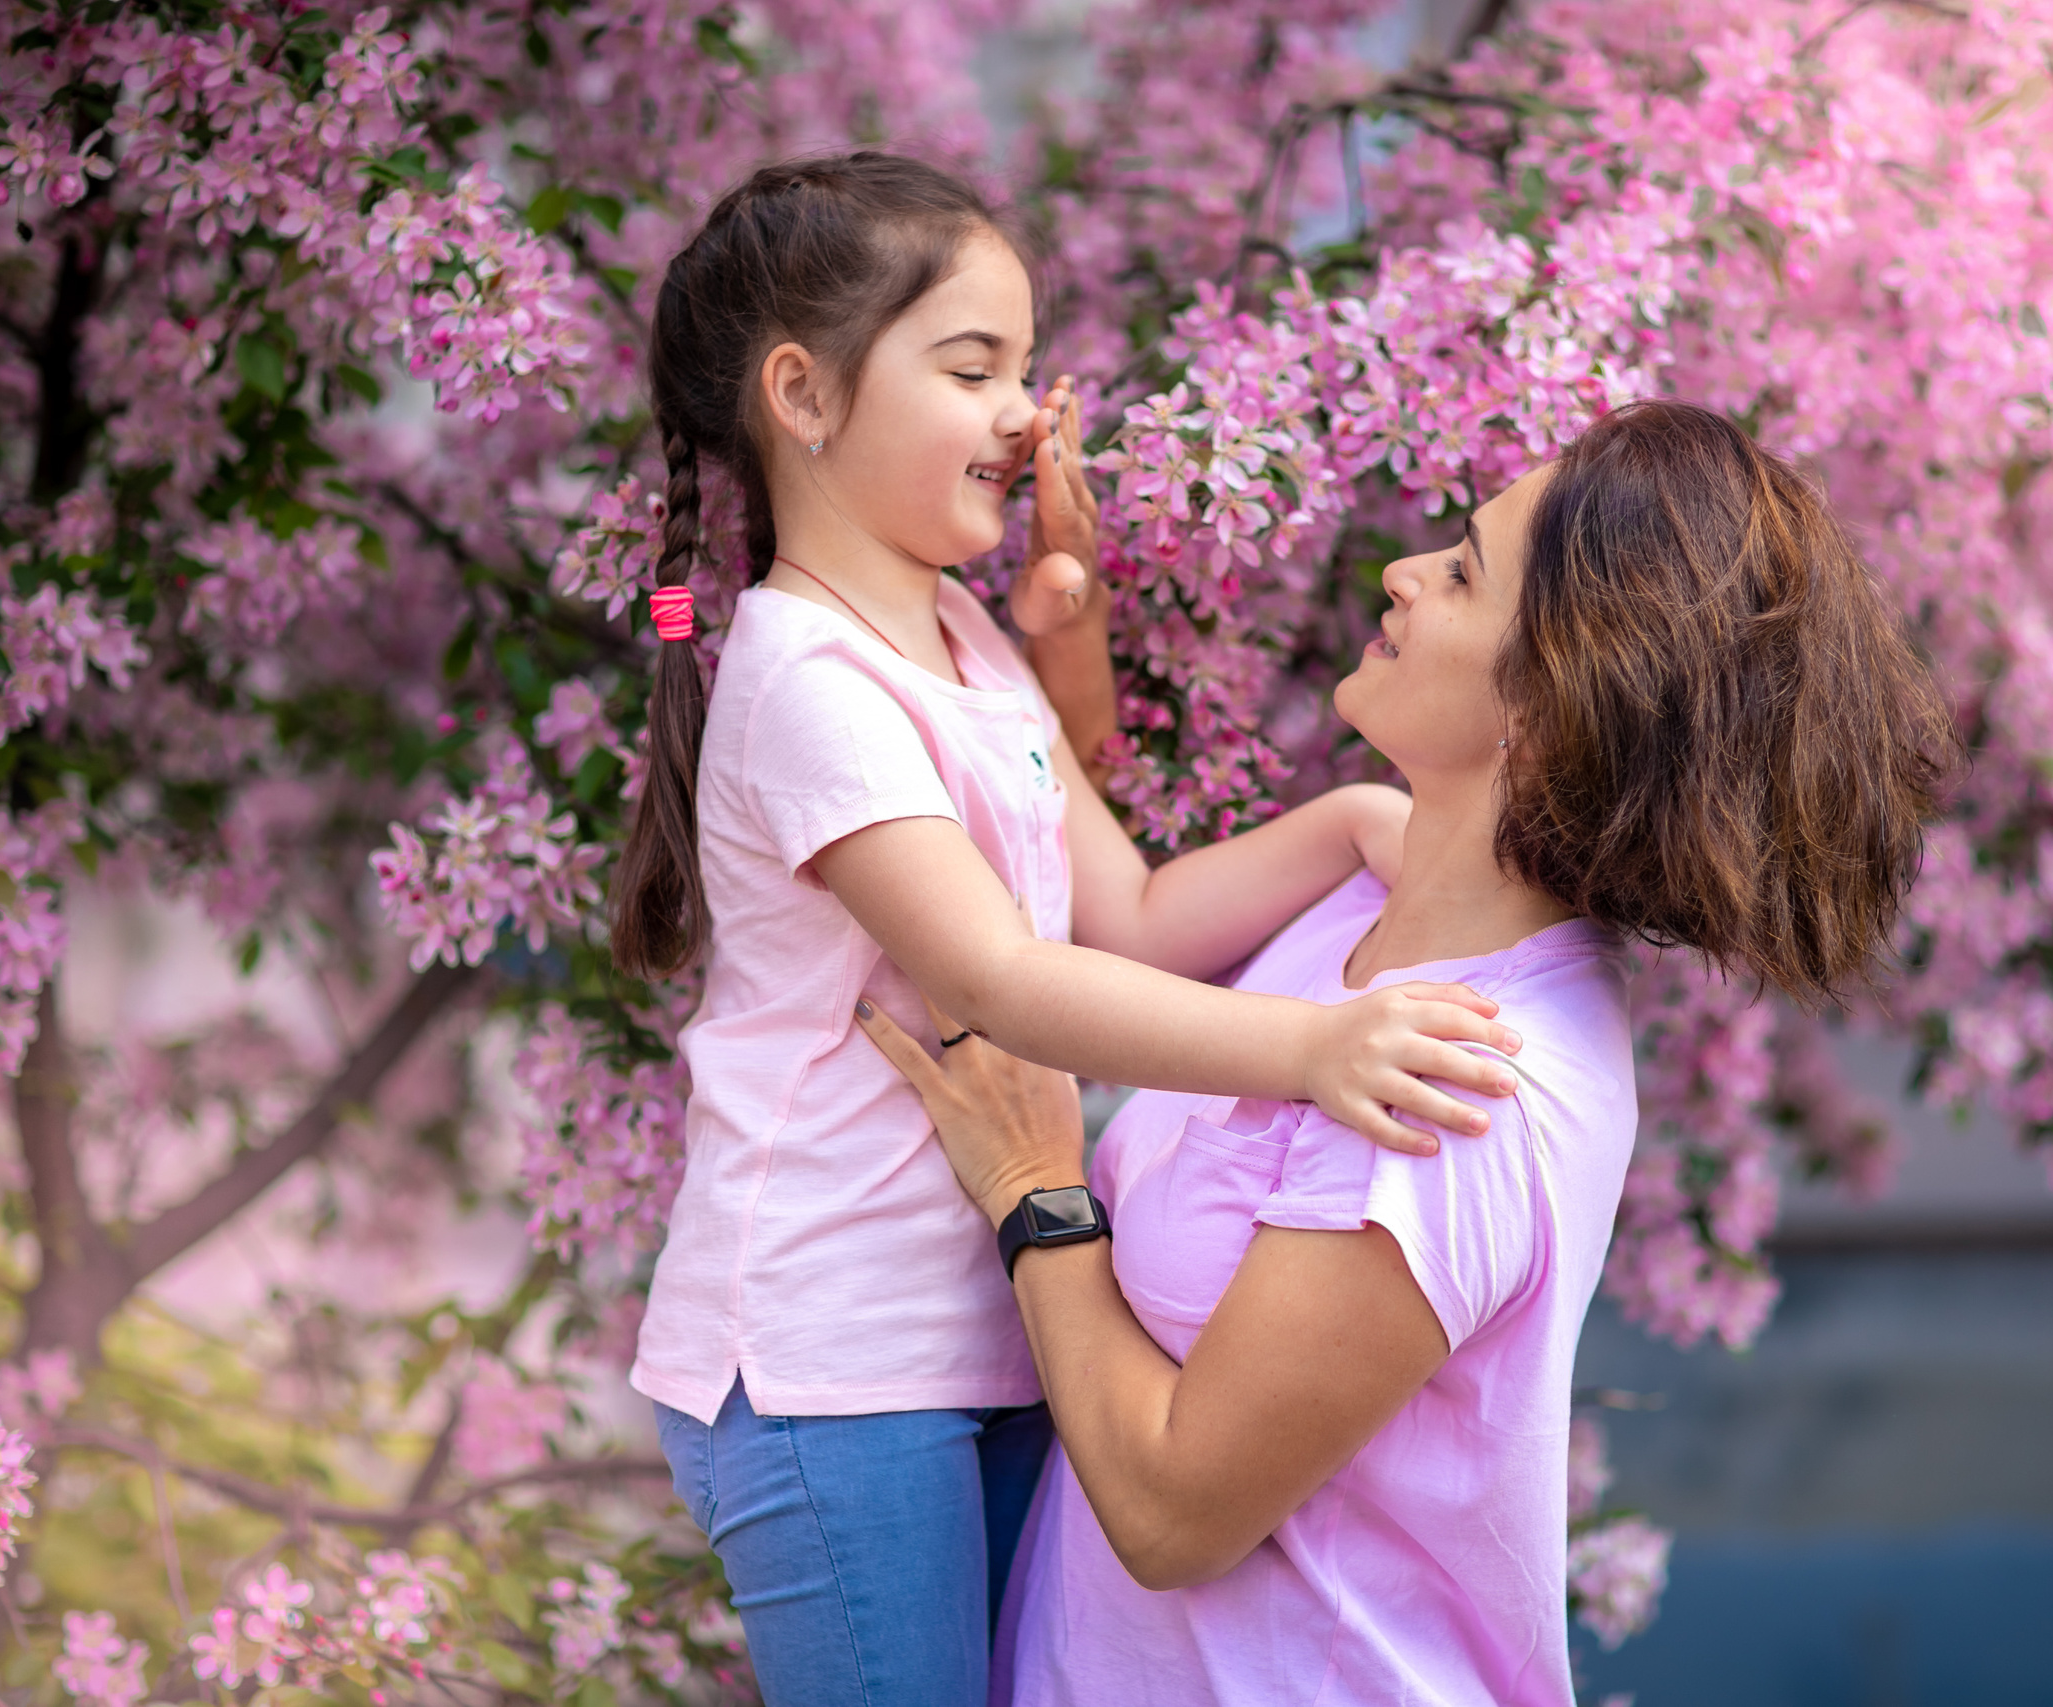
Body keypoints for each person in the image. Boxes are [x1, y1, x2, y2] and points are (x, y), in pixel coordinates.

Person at [858, 399, 1962, 1705]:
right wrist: (1040, 641)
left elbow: (1171, 1515)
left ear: (1548, 708)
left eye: (1461, 573)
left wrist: (1038, 1196)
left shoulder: (1458, 1091)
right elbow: (1110, 904)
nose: (1402, 571)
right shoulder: (1375, 892)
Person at [611, 152, 1528, 1707]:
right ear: (803, 396)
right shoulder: (808, 682)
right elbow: (1005, 979)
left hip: (989, 1335)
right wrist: (1316, 1047)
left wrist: (1356, 824)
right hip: (832, 1364)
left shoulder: (961, 635)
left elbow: (1134, 915)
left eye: (1027, 369)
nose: (1027, 413)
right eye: (974, 369)